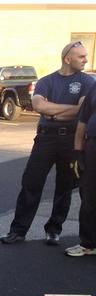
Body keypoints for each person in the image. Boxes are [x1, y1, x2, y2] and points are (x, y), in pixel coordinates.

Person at [0, 41, 95, 246]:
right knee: (31, 183)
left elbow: (81, 111)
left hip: (70, 139)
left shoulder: (88, 82)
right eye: (81, 57)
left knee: (65, 186)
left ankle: (53, 230)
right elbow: (39, 106)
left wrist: (52, 111)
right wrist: (64, 109)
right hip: (45, 138)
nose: (86, 60)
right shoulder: (46, 81)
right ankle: (18, 231)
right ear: (67, 58)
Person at [66, 82, 96, 256]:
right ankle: (89, 243)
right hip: (93, 145)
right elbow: (83, 119)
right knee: (89, 193)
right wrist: (78, 151)